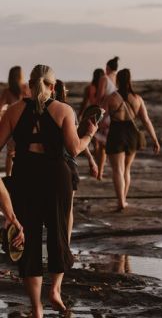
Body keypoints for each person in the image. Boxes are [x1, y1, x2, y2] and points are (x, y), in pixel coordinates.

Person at [0, 65, 97, 318]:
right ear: (53, 86)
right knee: (58, 232)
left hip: (24, 177)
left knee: (28, 239)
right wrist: (89, 134)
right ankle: (55, 290)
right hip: (56, 176)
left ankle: (37, 308)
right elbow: (74, 149)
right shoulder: (64, 110)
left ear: (30, 85)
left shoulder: (13, 111)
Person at [104, 69, 160, 211]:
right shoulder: (137, 99)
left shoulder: (111, 98)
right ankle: (124, 199)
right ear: (130, 81)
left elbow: (101, 118)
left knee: (117, 170)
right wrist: (154, 139)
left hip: (116, 133)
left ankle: (121, 201)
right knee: (126, 169)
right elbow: (146, 120)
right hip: (132, 135)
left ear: (117, 80)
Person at [55, 80, 99, 242]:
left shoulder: (43, 111)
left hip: (47, 163)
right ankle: (65, 244)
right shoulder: (68, 111)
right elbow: (76, 140)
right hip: (68, 163)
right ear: (64, 92)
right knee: (68, 209)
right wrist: (91, 160)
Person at [0, 66, 30, 176]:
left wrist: (3, 114)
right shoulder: (26, 88)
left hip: (11, 124)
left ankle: (9, 176)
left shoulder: (7, 92)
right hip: (26, 123)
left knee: (10, 153)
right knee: (25, 151)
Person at [94, 57, 119, 181]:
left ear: (108, 67)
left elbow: (99, 97)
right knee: (106, 144)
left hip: (104, 113)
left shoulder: (104, 78)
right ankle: (104, 170)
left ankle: (100, 170)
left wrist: (95, 112)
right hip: (115, 115)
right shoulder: (117, 79)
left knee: (99, 143)